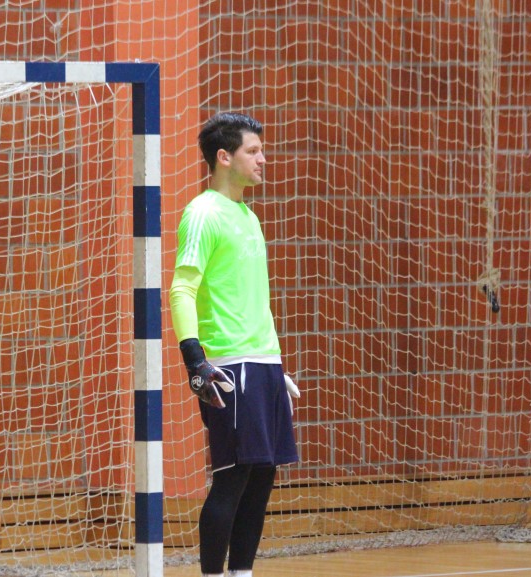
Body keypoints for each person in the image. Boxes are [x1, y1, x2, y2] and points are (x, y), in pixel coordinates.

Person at [169, 112, 300, 577]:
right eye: (253, 151)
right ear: (224, 157)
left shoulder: (248, 216)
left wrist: (273, 367)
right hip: (230, 366)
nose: (263, 159)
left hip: (262, 363)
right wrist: (196, 361)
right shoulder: (202, 213)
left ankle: (242, 573)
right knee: (232, 478)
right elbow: (182, 289)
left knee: (262, 479)